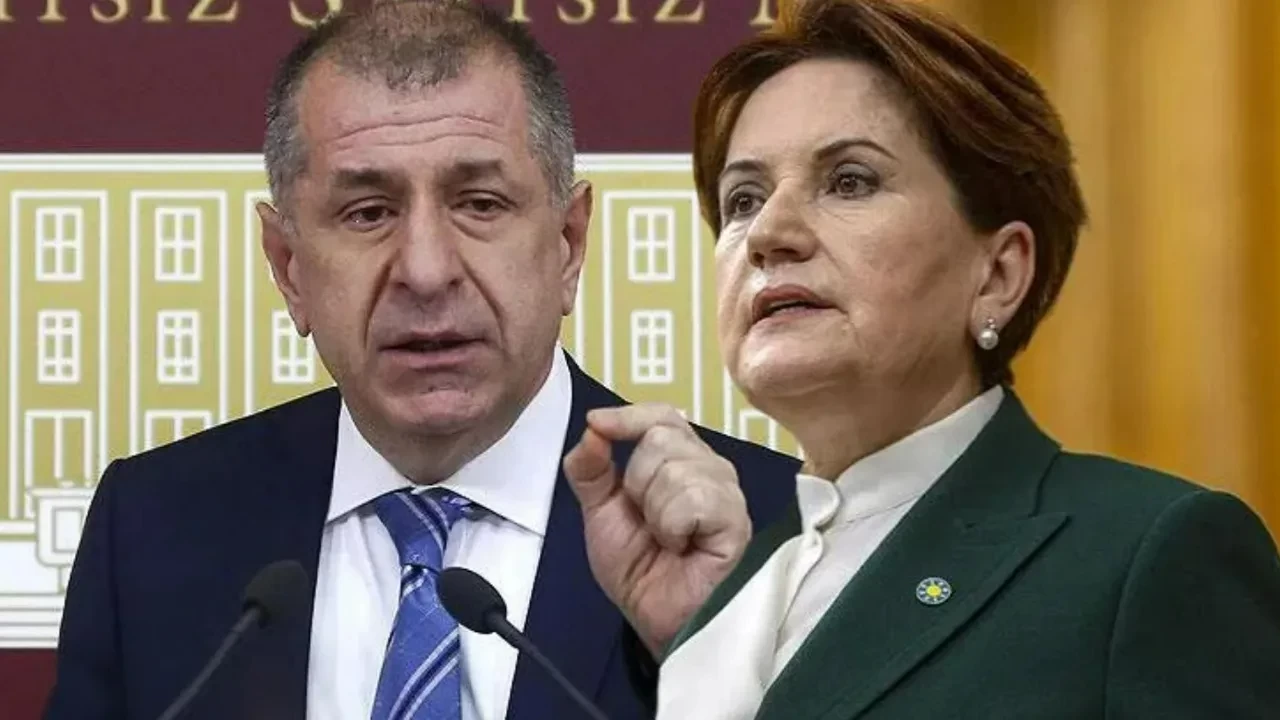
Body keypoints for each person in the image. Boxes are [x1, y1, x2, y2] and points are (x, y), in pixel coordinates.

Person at [42, 2, 799, 719]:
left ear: (569, 245)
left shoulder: (775, 535)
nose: (427, 271)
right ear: (288, 267)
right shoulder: (154, 528)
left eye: (480, 204)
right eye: (368, 212)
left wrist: (713, 659)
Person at [562, 0, 1280, 717]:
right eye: (743, 199)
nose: (768, 233)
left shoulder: (1148, 556)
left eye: (849, 181)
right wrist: (688, 652)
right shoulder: (727, 590)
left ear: (998, 274)